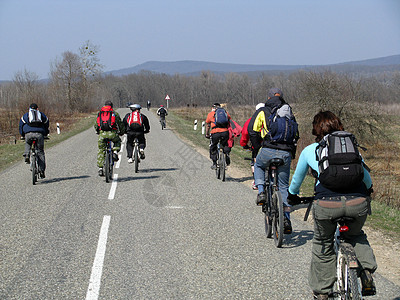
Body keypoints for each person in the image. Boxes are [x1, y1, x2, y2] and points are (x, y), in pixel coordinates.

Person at [288, 111, 377, 299]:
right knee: (356, 235)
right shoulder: (351, 147)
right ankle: (366, 272)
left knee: (323, 242)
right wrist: (367, 192)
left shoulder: (311, 150)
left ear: (316, 129)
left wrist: (292, 196)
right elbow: (366, 179)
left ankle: (322, 291)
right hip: (357, 202)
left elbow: (296, 181)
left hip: (326, 205)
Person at [252, 88, 298, 234]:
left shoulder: (263, 111)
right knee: (283, 186)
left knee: (258, 165)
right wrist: (292, 153)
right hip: (285, 152)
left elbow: (253, 131)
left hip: (268, 149)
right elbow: (296, 134)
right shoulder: (288, 111)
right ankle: (286, 219)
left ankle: (261, 192)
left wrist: (258, 148)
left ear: (269, 97)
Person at [19, 103, 49, 178]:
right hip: (39, 135)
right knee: (40, 151)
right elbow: (46, 124)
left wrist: (22, 134)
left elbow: (20, 125)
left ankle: (26, 154)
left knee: (28, 143)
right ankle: (41, 170)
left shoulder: (26, 115)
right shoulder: (41, 115)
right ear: (37, 109)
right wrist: (45, 133)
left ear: (29, 109)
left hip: (28, 134)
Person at [94, 100, 125, 176]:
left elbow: (96, 124)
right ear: (112, 106)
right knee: (117, 141)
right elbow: (120, 124)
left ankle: (100, 168)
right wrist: (121, 132)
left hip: (102, 134)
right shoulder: (114, 113)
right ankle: (114, 152)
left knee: (101, 149)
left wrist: (98, 131)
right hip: (112, 133)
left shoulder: (100, 113)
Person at [240, 102, 265, 189]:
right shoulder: (271, 118)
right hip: (270, 146)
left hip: (256, 146)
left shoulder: (251, 120)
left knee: (254, 162)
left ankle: (256, 182)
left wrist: (244, 144)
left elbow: (245, 133)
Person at [205, 103, 232, 169]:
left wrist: (207, 134)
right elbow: (229, 120)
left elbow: (208, 125)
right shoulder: (225, 113)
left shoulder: (210, 114)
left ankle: (214, 163)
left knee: (213, 146)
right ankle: (227, 154)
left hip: (215, 133)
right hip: (225, 132)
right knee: (226, 144)